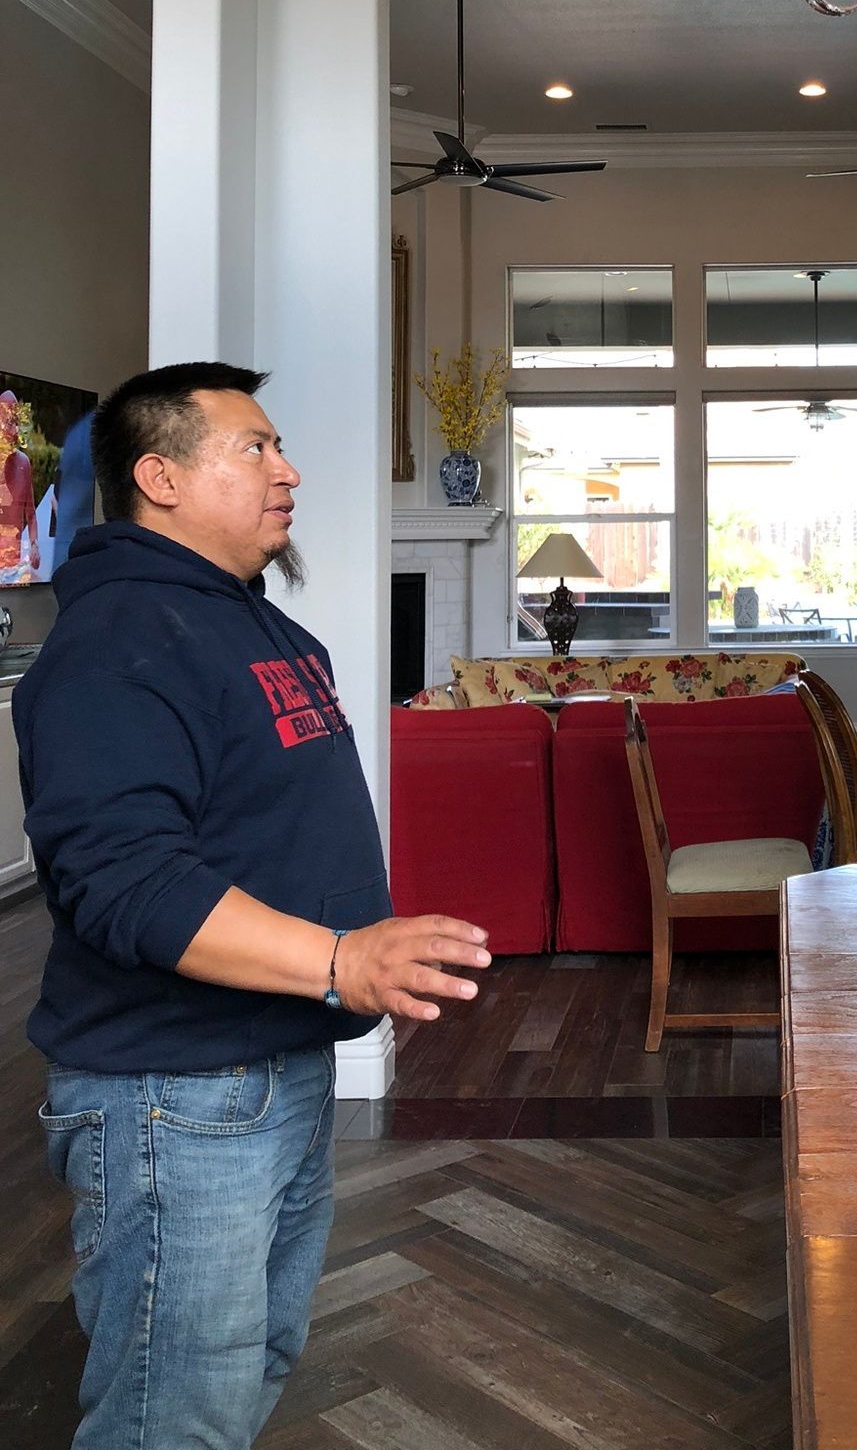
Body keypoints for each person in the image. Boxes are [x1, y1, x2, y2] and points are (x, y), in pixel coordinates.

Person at [14, 361, 491, 1449]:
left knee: (246, 1367)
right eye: (255, 447)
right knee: (171, 1411)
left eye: (278, 446)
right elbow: (124, 881)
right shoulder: (118, 641)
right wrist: (340, 958)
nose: (289, 469)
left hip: (268, 1067)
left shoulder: (248, 623)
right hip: (173, 1095)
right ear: (160, 476)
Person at [0, 387, 41, 584]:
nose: (15, 430)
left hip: (14, 567)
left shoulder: (23, 463)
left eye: (16, 423)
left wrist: (34, 545)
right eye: (9, 423)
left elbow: (31, 514)